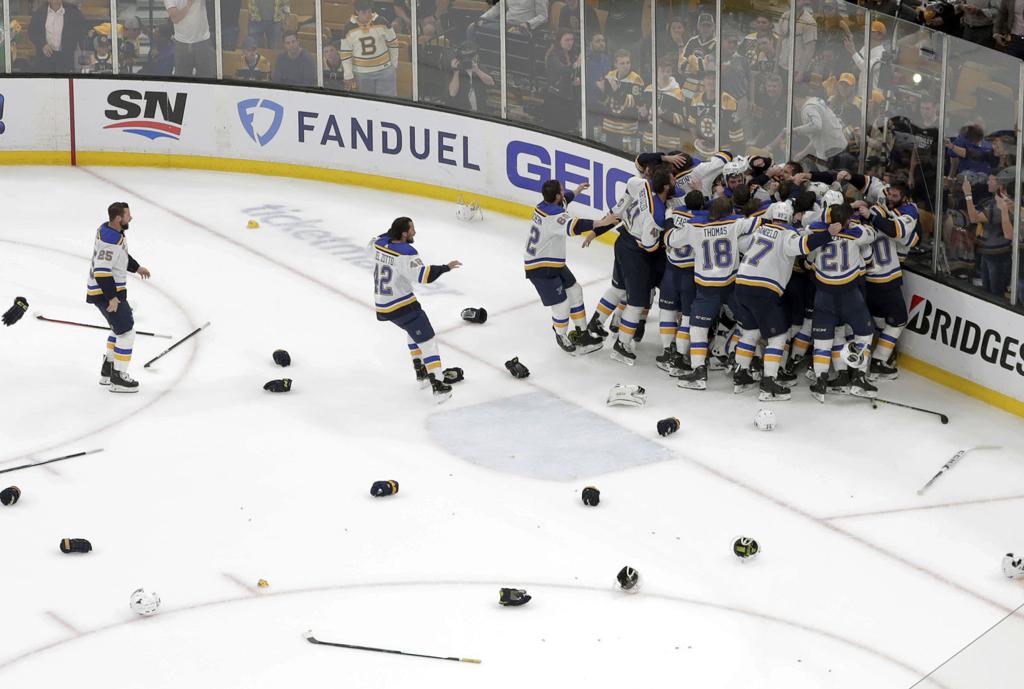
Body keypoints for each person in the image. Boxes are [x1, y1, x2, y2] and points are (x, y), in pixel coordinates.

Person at [734, 201, 838, 400]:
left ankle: (741, 375)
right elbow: (804, 246)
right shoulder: (788, 234)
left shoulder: (760, 231)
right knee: (778, 337)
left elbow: (740, 244)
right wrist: (828, 234)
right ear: (789, 218)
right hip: (764, 289)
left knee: (750, 333)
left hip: (741, 285)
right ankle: (769, 384)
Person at [670, 195, 760, 390]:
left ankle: (699, 371)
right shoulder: (735, 223)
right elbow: (759, 221)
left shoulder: (695, 227)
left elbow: (671, 240)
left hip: (706, 288)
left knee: (697, 329)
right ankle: (744, 367)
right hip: (731, 285)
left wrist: (672, 222)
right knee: (749, 326)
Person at [370, 217, 462, 403]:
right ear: (404, 233)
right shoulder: (406, 252)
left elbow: (376, 239)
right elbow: (423, 276)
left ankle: (420, 372)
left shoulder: (378, 244)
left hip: (383, 303)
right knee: (428, 340)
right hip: (402, 304)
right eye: (411, 229)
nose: (414, 232)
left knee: (413, 330)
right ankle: (438, 385)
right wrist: (445, 267)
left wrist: (392, 233)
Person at [525, 180, 609, 355]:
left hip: (553, 262)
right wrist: (602, 223)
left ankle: (582, 334)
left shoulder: (545, 205)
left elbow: (565, 200)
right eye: (561, 191)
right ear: (556, 196)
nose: (564, 192)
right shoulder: (553, 216)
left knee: (575, 291)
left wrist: (577, 191)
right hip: (540, 267)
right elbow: (575, 226)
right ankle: (561, 335)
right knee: (562, 305)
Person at [601, 166, 675, 366]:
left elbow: (620, 207)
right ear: (665, 187)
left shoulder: (640, 184)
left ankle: (612, 332)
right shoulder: (657, 215)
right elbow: (650, 246)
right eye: (673, 179)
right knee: (636, 302)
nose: (676, 181)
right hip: (635, 252)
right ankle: (622, 345)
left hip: (623, 240)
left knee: (626, 293)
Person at [806, 203, 877, 401]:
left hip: (823, 295)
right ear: (847, 221)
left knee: (825, 339)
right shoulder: (857, 233)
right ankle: (859, 377)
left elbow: (808, 227)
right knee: (864, 334)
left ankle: (823, 380)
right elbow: (871, 234)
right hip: (849, 295)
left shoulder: (815, 231)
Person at [87, 203, 151, 394]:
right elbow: (101, 271)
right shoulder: (110, 239)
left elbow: (120, 256)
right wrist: (112, 298)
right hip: (105, 293)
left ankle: (108, 371)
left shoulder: (108, 231)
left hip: (108, 291)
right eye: (128, 215)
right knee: (126, 333)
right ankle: (118, 378)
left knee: (119, 329)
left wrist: (136, 267)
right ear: (118, 219)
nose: (130, 218)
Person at [964, 171, 1015, 297]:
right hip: (988, 254)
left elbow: (973, 218)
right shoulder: (991, 202)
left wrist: (968, 194)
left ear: (1000, 185)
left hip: (998, 257)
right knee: (987, 293)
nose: (988, 182)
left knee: (994, 295)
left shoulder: (1003, 205)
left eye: (991, 180)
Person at [338, 0, 400, 95]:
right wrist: (348, 74)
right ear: (357, 12)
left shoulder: (382, 21)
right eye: (364, 12)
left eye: (369, 11)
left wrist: (394, 65)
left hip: (384, 70)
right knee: (364, 105)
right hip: (361, 73)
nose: (367, 15)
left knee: (388, 103)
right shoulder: (349, 27)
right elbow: (346, 53)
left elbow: (393, 43)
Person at [790, 83, 848, 170]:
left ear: (795, 98)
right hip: (839, 146)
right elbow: (817, 137)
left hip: (831, 151)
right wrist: (803, 153)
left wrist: (794, 131)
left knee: (830, 178)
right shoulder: (816, 101)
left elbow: (816, 126)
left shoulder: (808, 108)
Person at [599, 49, 645, 152]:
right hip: (609, 126)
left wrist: (616, 90)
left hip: (627, 129)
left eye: (628, 62)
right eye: (622, 63)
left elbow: (633, 103)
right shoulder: (610, 75)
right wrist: (600, 90)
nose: (626, 66)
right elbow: (604, 100)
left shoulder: (636, 79)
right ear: (615, 64)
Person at [28, 0, 87, 74]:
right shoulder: (39, 12)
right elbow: (32, 32)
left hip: (66, 58)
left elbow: (82, 32)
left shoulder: (73, 11)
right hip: (45, 58)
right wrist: (42, 45)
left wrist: (71, 46)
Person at [164, 0, 215, 78]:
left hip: (202, 40)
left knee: (207, 77)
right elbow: (175, 18)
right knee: (182, 79)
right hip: (181, 42)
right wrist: (189, 4)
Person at [447, 43, 494, 113]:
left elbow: (491, 82)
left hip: (480, 112)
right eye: (464, 56)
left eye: (470, 56)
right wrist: (456, 71)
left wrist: (477, 70)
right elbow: (452, 93)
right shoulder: (453, 72)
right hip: (461, 113)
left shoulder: (480, 68)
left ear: (476, 56)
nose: (467, 59)